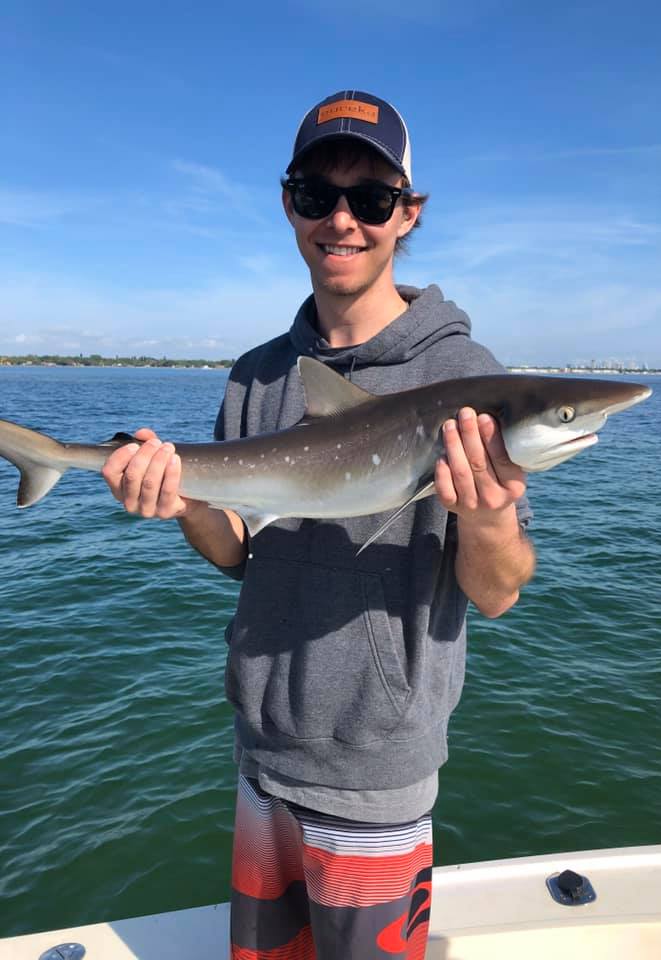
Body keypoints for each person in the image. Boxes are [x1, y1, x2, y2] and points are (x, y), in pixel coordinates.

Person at [102, 90, 535, 960]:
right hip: (261, 755)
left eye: (371, 199)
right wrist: (184, 499)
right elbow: (237, 555)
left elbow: (498, 594)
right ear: (289, 203)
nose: (343, 219)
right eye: (317, 193)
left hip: (376, 775)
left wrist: (486, 519)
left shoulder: (466, 377)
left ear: (407, 214)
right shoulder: (259, 376)